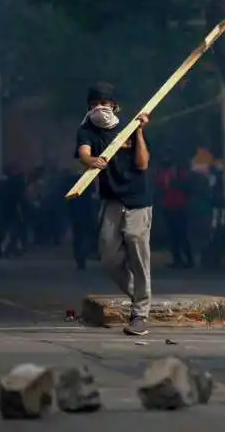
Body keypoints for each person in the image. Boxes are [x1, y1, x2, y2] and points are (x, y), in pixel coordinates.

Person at [76, 82, 153, 336]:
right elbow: (84, 152)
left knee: (136, 245)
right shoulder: (86, 130)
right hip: (111, 200)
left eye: (104, 104)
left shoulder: (129, 127)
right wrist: (91, 160)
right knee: (109, 256)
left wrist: (139, 132)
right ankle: (139, 294)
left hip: (138, 198)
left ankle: (140, 314)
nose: (100, 108)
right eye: (95, 104)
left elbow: (142, 164)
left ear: (114, 105)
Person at [155, 154, 194, 268]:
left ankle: (188, 259)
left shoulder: (178, 172)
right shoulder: (163, 173)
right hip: (169, 206)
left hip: (179, 206)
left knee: (181, 234)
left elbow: (187, 187)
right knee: (173, 235)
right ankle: (177, 259)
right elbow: (159, 187)